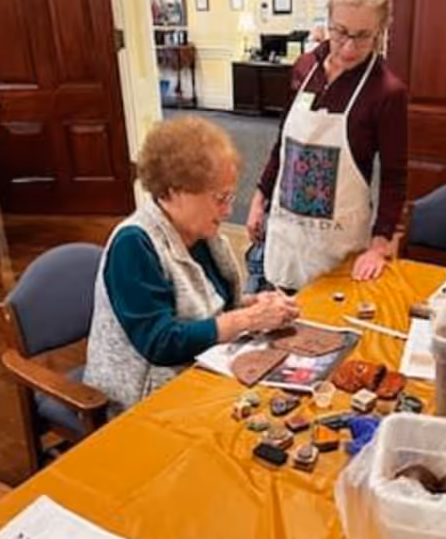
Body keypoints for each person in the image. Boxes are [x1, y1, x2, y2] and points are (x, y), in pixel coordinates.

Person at [85, 117, 299, 415]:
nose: (227, 210)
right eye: (220, 198)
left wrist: (254, 303)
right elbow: (161, 343)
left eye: (230, 196)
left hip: (198, 370)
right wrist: (249, 318)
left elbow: (210, 308)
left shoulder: (201, 235)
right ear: (173, 192)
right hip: (142, 399)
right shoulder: (133, 245)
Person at [246, 0, 408, 291]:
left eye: (363, 36)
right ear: (328, 20)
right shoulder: (304, 68)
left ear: (382, 30)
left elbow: (395, 177)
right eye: (340, 32)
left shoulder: (386, 92)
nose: (348, 48)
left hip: (338, 245)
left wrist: (379, 245)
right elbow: (283, 144)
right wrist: (259, 197)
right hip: (288, 233)